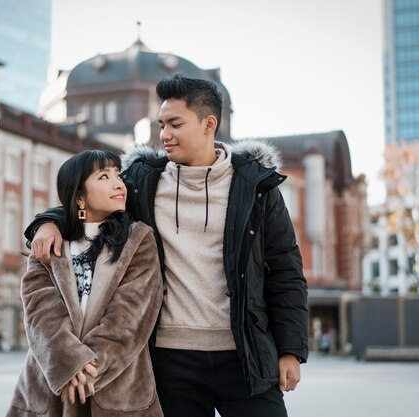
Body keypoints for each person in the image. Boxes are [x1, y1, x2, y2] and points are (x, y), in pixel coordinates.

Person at [25, 74, 308, 417]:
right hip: (170, 361)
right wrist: (47, 222)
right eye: (161, 124)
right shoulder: (143, 182)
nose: (164, 135)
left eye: (175, 123)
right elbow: (91, 201)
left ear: (209, 124)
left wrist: (290, 349)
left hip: (245, 353)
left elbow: (286, 272)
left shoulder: (257, 187)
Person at [7, 150, 163, 417]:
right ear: (79, 196)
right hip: (48, 390)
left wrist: (86, 371)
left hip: (118, 389)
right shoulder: (48, 243)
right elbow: (40, 314)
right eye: (104, 176)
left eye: (117, 175)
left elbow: (130, 318)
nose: (118, 183)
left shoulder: (138, 240)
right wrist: (67, 364)